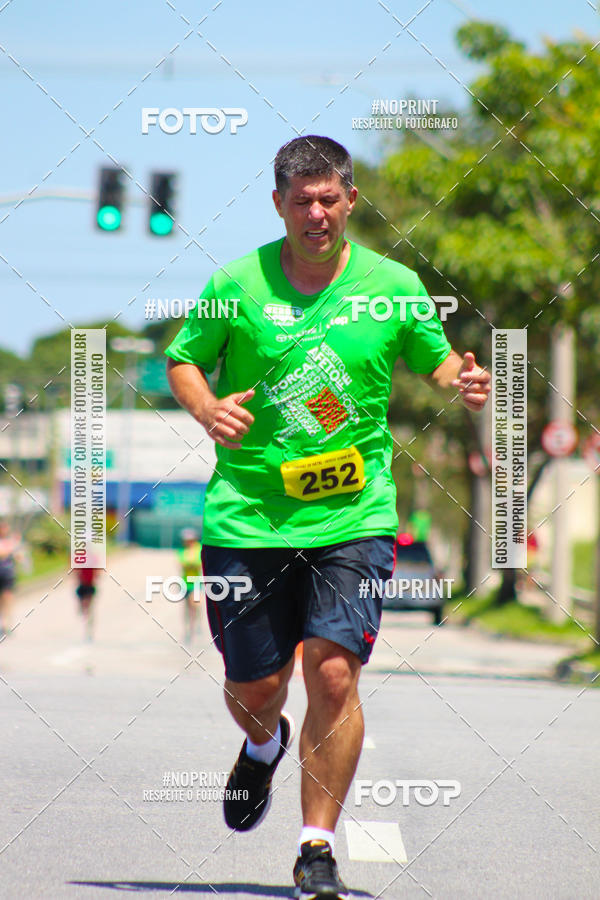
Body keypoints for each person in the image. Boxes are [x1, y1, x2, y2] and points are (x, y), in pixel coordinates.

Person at [165, 135, 490, 899]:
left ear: (350, 199)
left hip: (354, 513)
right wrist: (208, 406)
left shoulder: (393, 284)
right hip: (248, 518)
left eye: (329, 197)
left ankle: (316, 848)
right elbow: (183, 357)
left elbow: (434, 356)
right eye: (301, 199)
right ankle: (263, 741)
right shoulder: (236, 284)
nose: (317, 212)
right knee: (255, 687)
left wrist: (463, 379)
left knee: (335, 673)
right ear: (278, 203)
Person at [177, 527, 203, 644]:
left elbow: (198, 565)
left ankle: (193, 627)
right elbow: (182, 565)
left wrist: (190, 564)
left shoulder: (199, 549)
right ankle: (188, 628)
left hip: (195, 582)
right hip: (185, 582)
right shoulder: (182, 551)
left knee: (194, 606)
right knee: (187, 608)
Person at [0, 520, 22, 639]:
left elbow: (19, 557)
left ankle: (7, 625)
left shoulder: (11, 542)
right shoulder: (8, 543)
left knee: (8, 600)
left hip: (8, 575)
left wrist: (16, 546)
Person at [75, 567, 100, 641]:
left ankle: (89, 626)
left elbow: (96, 572)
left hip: (89, 585)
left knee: (89, 608)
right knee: (85, 609)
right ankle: (85, 613)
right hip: (82, 585)